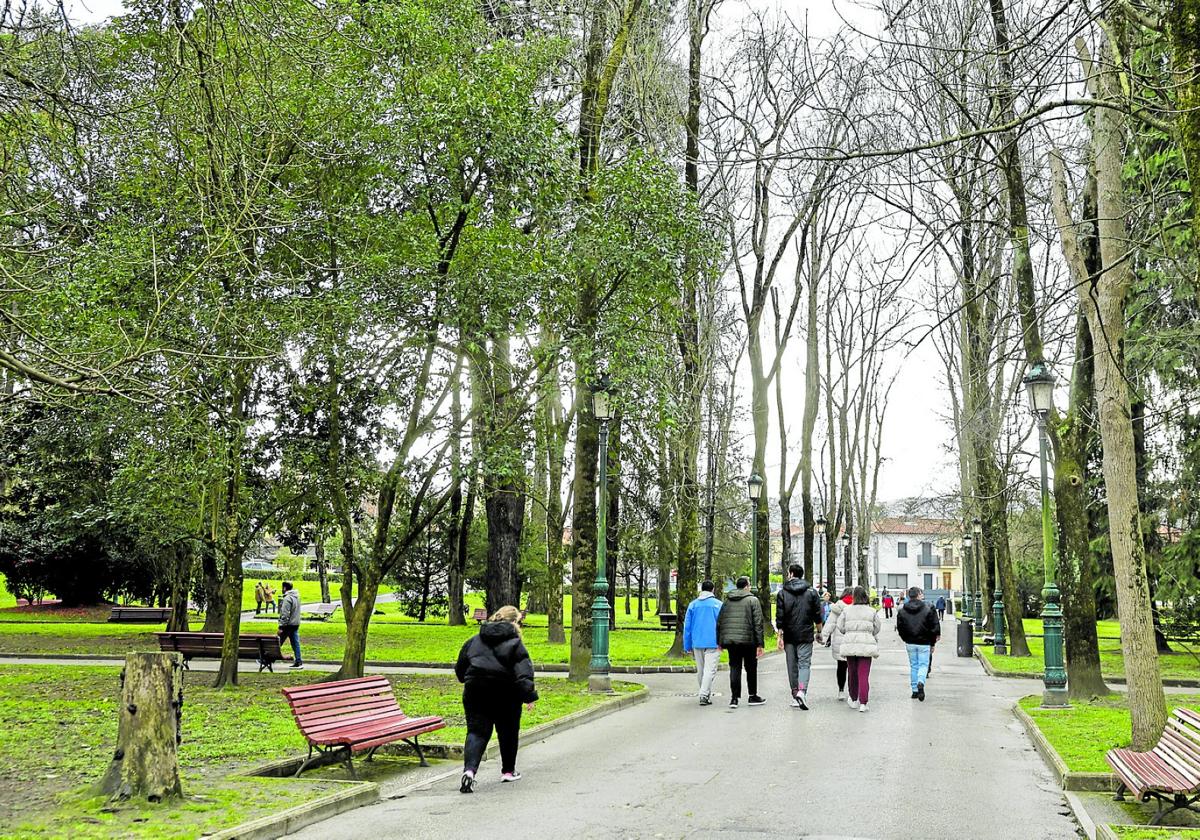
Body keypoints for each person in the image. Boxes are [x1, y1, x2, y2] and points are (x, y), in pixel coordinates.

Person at [454, 606, 538, 793]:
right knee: (508, 732)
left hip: (475, 690)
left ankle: (469, 771)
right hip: (506, 693)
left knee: (476, 732)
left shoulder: (474, 641)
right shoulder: (515, 644)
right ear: (514, 623)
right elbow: (523, 673)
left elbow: (461, 669)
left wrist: (468, 679)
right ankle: (508, 771)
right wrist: (529, 696)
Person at [774, 563, 823, 709]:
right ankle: (802, 690)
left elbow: (780, 617)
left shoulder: (782, 593)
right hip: (806, 634)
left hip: (789, 634)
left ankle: (795, 694)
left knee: (792, 666)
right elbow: (817, 615)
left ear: (790, 574)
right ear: (801, 575)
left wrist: (779, 636)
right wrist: (819, 631)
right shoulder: (812, 592)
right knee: (804, 664)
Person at [717, 576, 765, 709]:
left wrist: (720, 641)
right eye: (749, 585)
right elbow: (758, 623)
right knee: (751, 668)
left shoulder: (727, 601)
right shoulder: (753, 600)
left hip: (732, 641)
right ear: (746, 586)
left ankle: (734, 698)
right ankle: (752, 695)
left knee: (734, 667)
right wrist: (760, 643)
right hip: (748, 641)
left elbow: (720, 622)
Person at [836, 585, 881, 712]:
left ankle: (854, 698)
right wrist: (870, 632)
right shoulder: (871, 611)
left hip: (850, 644)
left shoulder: (846, 610)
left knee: (852, 673)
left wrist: (848, 631)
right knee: (863, 674)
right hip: (866, 644)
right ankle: (863, 702)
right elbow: (877, 627)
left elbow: (840, 626)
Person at [896, 586, 941, 701]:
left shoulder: (902, 610)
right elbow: (934, 626)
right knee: (923, 665)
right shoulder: (928, 608)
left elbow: (900, 627)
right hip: (924, 641)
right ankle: (921, 681)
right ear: (919, 595)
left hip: (910, 641)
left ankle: (914, 690)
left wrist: (905, 638)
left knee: (914, 666)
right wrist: (932, 643)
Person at [682, 580, 723, 706]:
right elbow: (722, 625)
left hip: (697, 641)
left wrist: (687, 644)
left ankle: (704, 692)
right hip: (713, 642)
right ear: (713, 589)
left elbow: (687, 627)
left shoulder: (693, 605)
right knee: (710, 670)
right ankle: (704, 694)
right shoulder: (718, 605)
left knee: (701, 670)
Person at [820, 587, 854, 700]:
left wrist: (823, 638)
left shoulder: (837, 608)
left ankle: (841, 690)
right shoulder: (857, 607)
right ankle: (853, 691)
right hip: (854, 642)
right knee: (853, 668)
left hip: (840, 643)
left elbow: (830, 624)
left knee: (841, 667)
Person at [277, 581, 303, 669]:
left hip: (287, 625)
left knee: (277, 642)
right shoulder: (297, 597)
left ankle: (266, 658)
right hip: (295, 623)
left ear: (284, 588)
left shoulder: (287, 598)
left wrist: (281, 626)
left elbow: (285, 614)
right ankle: (298, 660)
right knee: (295, 643)